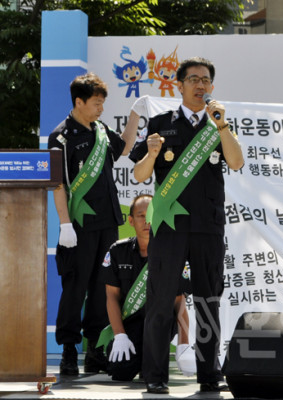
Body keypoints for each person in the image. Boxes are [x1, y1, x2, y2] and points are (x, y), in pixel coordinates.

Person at [129, 57, 244, 394]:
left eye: (205, 80)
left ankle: (209, 375)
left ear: (212, 87)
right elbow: (139, 174)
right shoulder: (160, 123)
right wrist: (151, 154)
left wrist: (222, 125)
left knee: (209, 301)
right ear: (179, 85)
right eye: (193, 79)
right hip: (169, 227)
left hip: (208, 225)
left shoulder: (218, 125)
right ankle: (155, 375)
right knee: (161, 300)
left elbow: (236, 162)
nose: (200, 85)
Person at [48, 72, 139, 375]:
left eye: (102, 103)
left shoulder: (101, 130)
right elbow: (58, 184)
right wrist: (64, 224)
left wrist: (135, 116)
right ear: (79, 102)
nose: (101, 109)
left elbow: (123, 148)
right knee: (75, 287)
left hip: (108, 223)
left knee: (103, 288)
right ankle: (68, 350)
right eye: (96, 103)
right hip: (79, 225)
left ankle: (95, 351)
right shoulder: (61, 137)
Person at [100, 194, 196, 381]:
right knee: (119, 371)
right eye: (141, 216)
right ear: (131, 220)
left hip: (161, 322)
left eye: (151, 215)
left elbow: (179, 303)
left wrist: (183, 344)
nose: (147, 221)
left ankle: (150, 362)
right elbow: (111, 296)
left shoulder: (172, 254)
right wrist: (120, 335)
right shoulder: (118, 251)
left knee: (152, 368)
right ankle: (143, 359)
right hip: (131, 324)